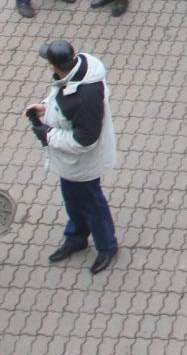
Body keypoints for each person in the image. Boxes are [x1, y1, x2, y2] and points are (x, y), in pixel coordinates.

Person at [27, 39, 119, 274]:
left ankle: (107, 245)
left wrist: (48, 135)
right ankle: (76, 237)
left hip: (83, 162)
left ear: (53, 65)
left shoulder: (85, 96)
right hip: (70, 163)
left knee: (91, 202)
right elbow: (60, 102)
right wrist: (46, 110)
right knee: (72, 198)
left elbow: (84, 140)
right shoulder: (74, 75)